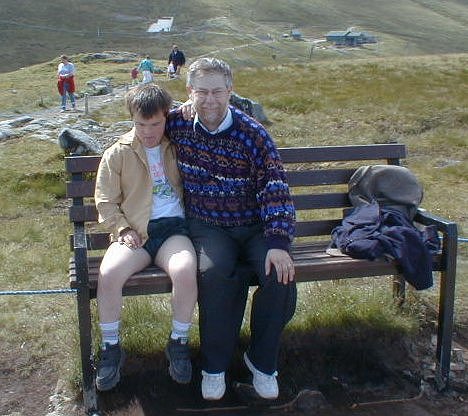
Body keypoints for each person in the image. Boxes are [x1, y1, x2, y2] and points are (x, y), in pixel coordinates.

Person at [166, 57, 297, 401]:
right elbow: (143, 125)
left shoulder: (253, 134)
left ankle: (262, 361)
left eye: (217, 92)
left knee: (280, 273)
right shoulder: (176, 125)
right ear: (190, 91)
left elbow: (275, 187)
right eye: (201, 92)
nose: (210, 100)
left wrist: (278, 241)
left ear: (230, 91)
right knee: (213, 273)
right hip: (208, 225)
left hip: (254, 226)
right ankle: (215, 366)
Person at [94, 84, 198, 391]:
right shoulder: (117, 153)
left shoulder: (177, 143)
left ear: (166, 118)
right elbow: (105, 201)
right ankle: (111, 347)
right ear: (132, 119)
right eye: (141, 124)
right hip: (136, 231)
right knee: (109, 273)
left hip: (173, 231)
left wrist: (190, 105)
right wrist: (122, 229)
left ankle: (178, 341)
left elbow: (197, 116)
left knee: (184, 269)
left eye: (155, 124)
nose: (148, 131)